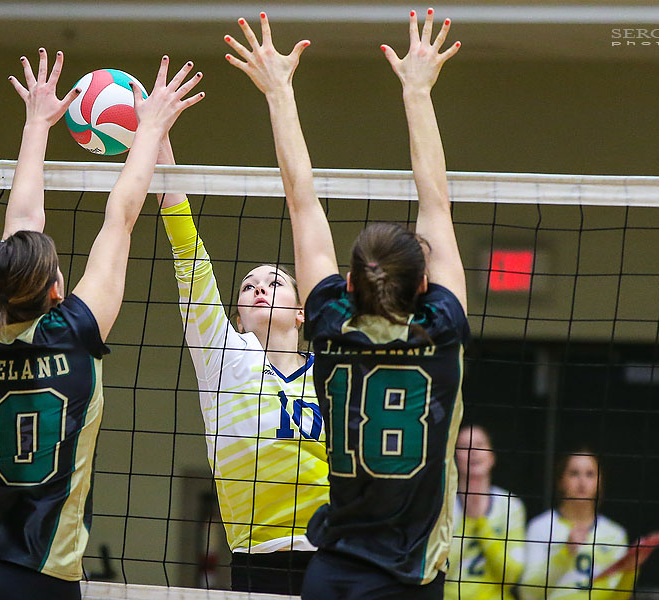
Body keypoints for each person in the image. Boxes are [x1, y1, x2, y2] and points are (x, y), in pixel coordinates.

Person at [0, 49, 204, 600]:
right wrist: (149, 126)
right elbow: (122, 215)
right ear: (56, 288)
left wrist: (36, 123)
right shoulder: (74, 332)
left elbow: (23, 225)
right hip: (40, 575)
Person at [225, 9, 466, 599]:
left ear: (349, 285)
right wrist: (417, 92)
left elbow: (301, 201)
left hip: (332, 575)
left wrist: (279, 90)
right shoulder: (441, 332)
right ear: (424, 285)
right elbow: (437, 205)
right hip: (410, 577)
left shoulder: (329, 326)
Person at [157, 112, 328, 592]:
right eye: (247, 286)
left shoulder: (333, 372)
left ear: (301, 313)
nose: (257, 290)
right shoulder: (225, 358)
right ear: (235, 317)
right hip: (260, 560)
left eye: (274, 283)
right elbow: (188, 254)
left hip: (335, 557)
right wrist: (158, 141)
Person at [520, 448, 644, 600]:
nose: (582, 481)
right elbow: (528, 593)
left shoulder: (615, 534)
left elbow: (618, 598)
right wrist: (565, 553)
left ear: (600, 482)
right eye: (574, 473)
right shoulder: (540, 527)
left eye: (590, 474)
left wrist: (631, 571)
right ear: (561, 481)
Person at [446, 424, 526, 600]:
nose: (473, 451)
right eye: (464, 446)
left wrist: (481, 524)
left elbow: (511, 576)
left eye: (480, 445)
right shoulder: (443, 504)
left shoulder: (510, 505)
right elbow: (437, 572)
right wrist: (468, 522)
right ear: (454, 457)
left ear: (492, 456)